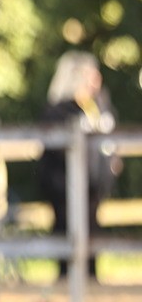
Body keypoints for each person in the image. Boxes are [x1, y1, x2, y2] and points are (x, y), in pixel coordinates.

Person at [37, 51, 120, 280]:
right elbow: (54, 149)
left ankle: (91, 277)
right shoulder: (58, 110)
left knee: (92, 230)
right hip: (64, 185)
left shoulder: (99, 105)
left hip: (93, 185)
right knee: (67, 229)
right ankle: (67, 277)